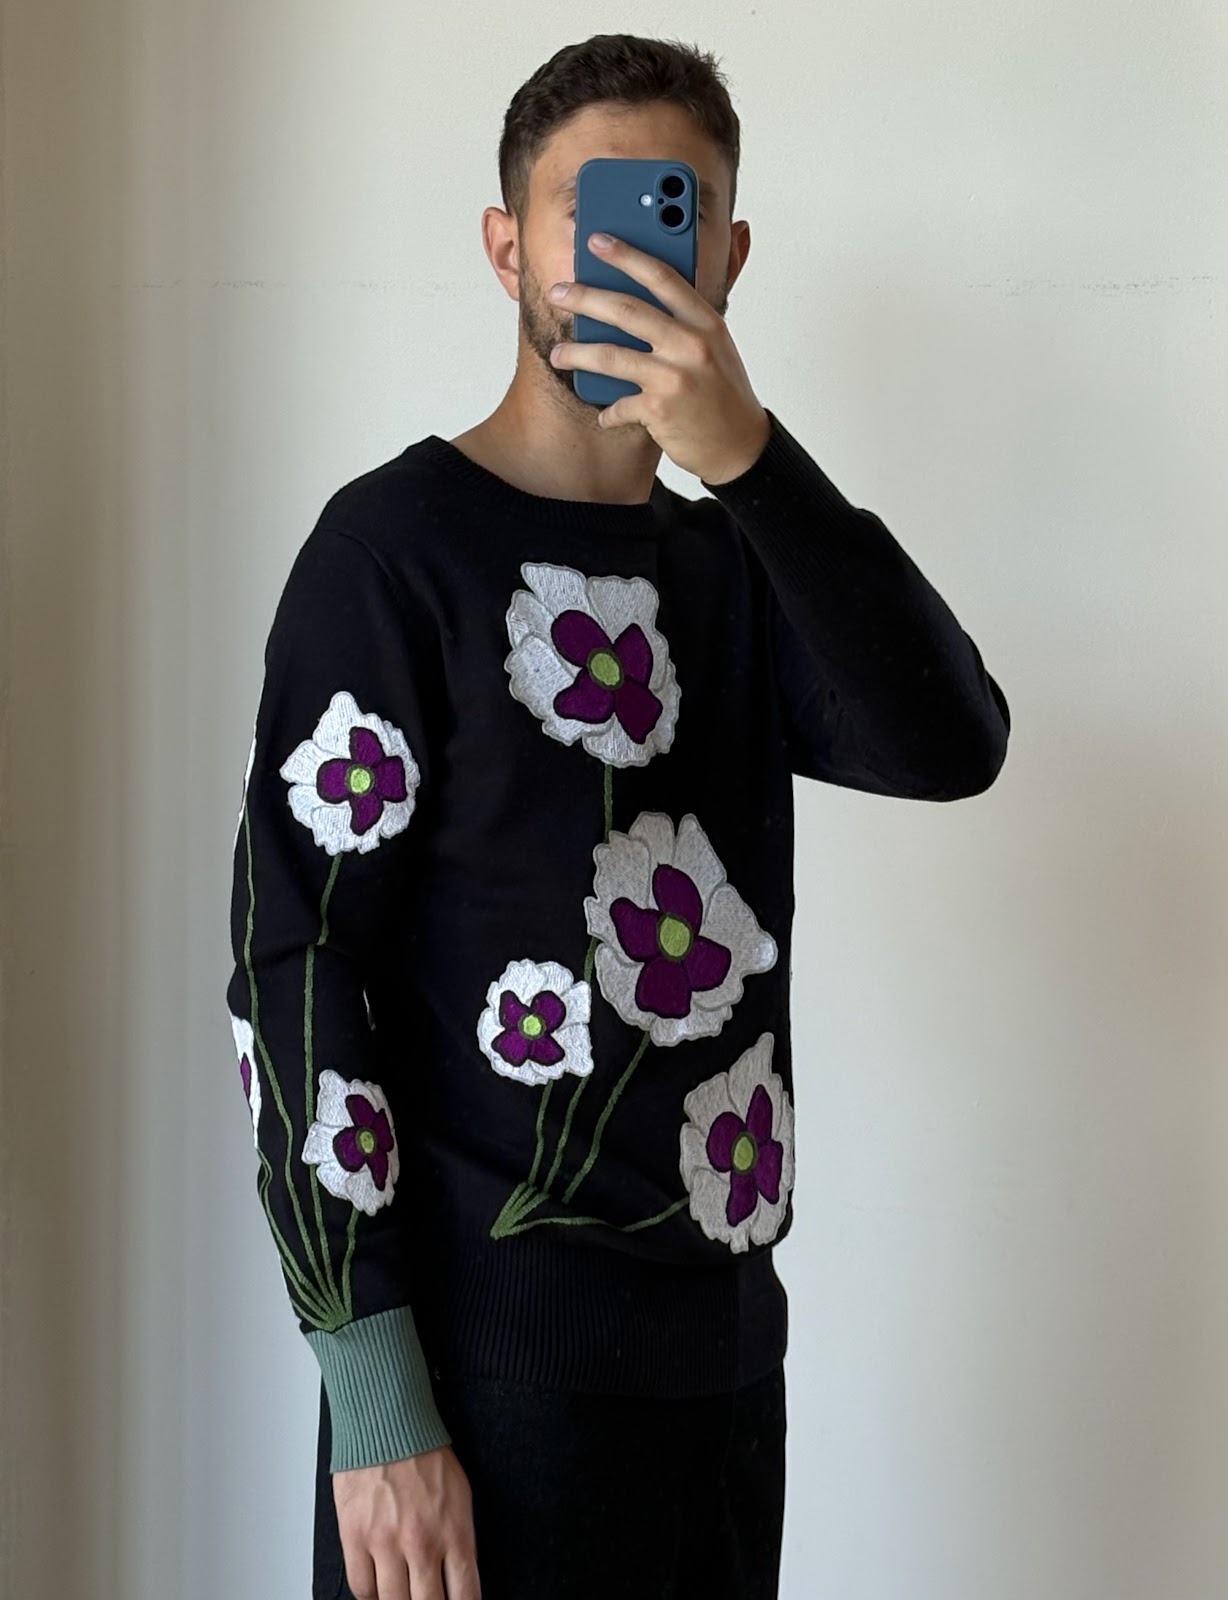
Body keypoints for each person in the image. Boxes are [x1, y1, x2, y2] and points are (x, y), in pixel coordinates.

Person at [224, 31, 1011, 1600]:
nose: (630, 262)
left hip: (720, 1376)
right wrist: (374, 1396)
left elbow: (950, 743)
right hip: (479, 1389)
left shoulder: (736, 570)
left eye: (671, 216)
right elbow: (295, 969)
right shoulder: (393, 554)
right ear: (506, 246)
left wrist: (756, 466)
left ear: (726, 256)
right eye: (587, 216)